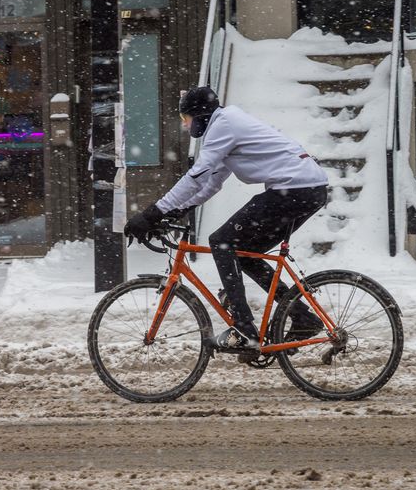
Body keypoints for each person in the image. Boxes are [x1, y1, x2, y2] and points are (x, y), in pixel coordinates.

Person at [124, 87, 330, 354]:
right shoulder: (226, 126)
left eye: (186, 118)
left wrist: (154, 212)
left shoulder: (224, 125)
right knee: (246, 254)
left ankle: (245, 329)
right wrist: (178, 210)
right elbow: (211, 183)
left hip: (294, 189)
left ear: (200, 116)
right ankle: (302, 317)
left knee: (222, 241)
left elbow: (197, 175)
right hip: (307, 189)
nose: (185, 125)